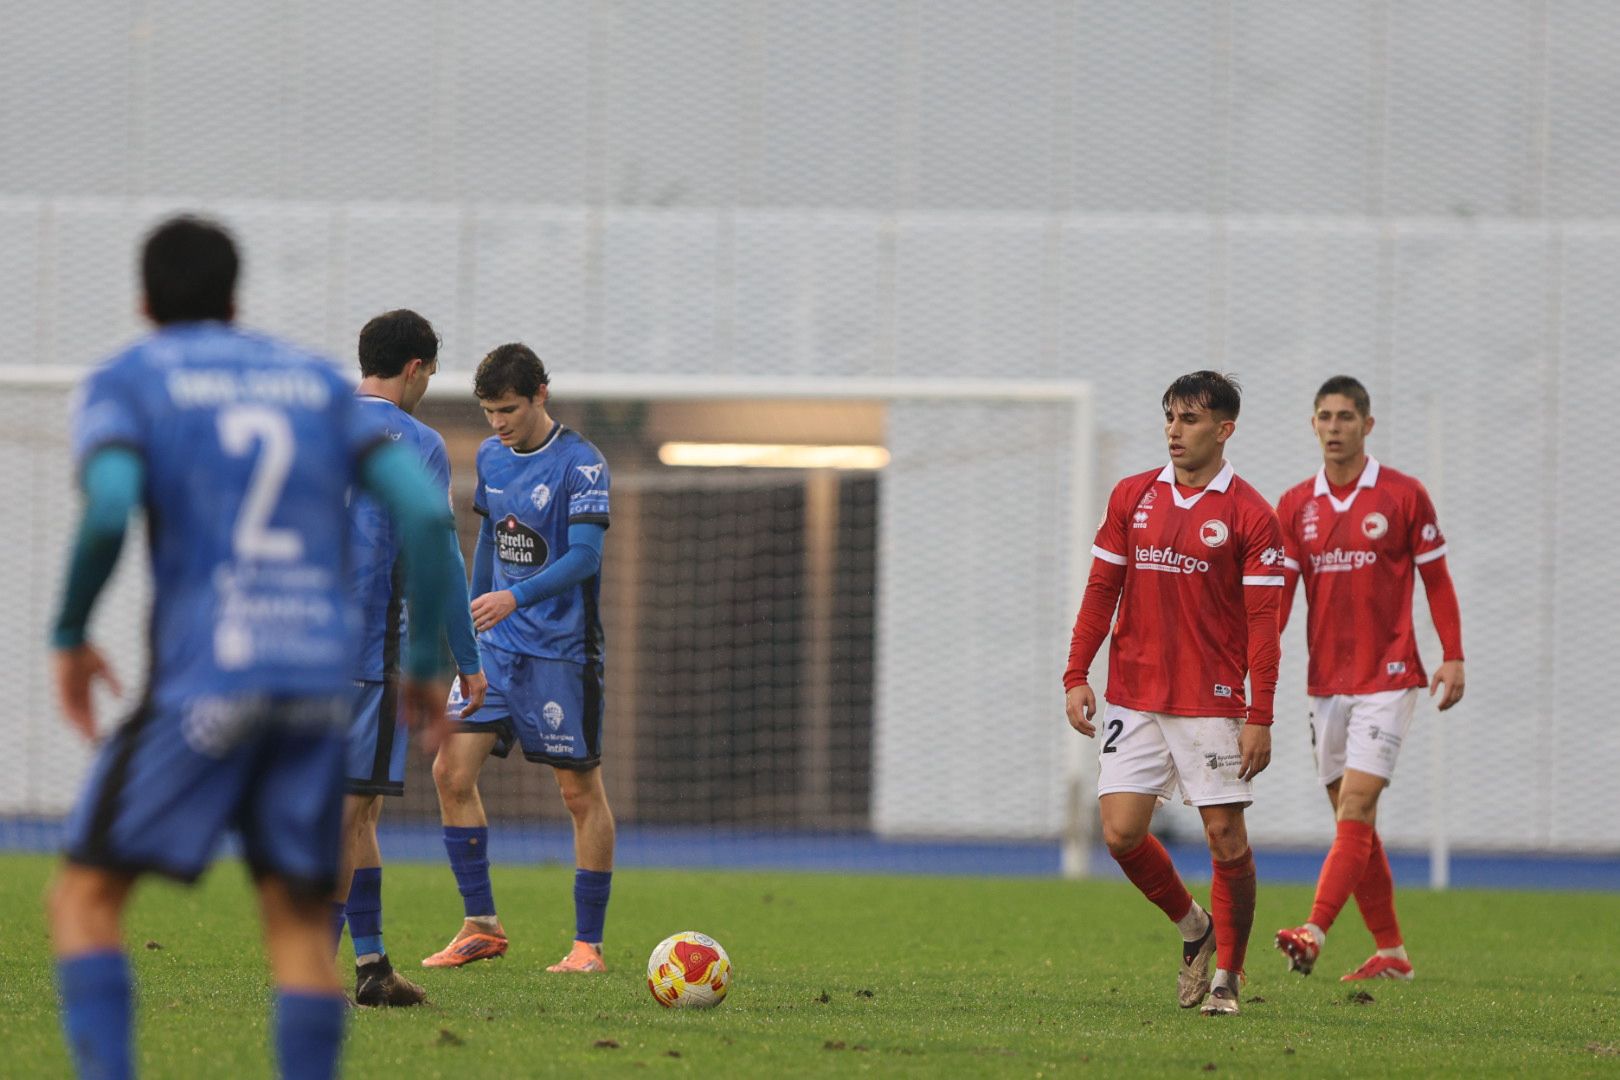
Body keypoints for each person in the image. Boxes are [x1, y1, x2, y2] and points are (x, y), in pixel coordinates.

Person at [45, 216, 457, 1080]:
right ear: (236, 299)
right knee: (299, 927)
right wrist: (422, 665)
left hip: (206, 681)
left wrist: (72, 633)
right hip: (316, 684)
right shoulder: (309, 383)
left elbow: (112, 509)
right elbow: (422, 516)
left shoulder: (130, 378)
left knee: (85, 897)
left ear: (144, 301)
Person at [1063, 370, 1286, 1017]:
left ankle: (1229, 979)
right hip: (1133, 695)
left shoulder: (1250, 514)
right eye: (1169, 417)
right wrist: (1077, 672)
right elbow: (1102, 590)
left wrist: (1260, 713)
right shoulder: (1133, 497)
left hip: (1212, 701)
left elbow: (1264, 624)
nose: (1174, 430)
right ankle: (1195, 928)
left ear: (1224, 429)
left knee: (1225, 839)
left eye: (1189, 419)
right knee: (1122, 834)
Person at [423, 343, 616, 975]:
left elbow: (585, 558)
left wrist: (516, 595)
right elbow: (488, 546)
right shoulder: (488, 455)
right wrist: (471, 634)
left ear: (540, 395)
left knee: (577, 792)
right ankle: (482, 925)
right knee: (450, 772)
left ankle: (587, 946)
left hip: (560, 653)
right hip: (498, 650)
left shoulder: (582, 465)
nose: (497, 422)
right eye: (487, 412)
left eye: (507, 409)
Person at [1272, 375, 1465, 983]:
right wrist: (1255, 665)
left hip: (1388, 677)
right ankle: (1392, 953)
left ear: (1367, 425)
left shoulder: (1404, 496)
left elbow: (1436, 580)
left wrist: (1452, 654)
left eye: (1346, 417)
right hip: (1325, 684)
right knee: (1353, 823)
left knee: (1356, 806)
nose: (1334, 427)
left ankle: (1313, 931)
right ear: (1313, 425)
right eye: (1324, 416)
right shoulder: (1295, 505)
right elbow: (1278, 596)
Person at [332, 309, 487, 1007]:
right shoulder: (416, 442)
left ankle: (371, 966)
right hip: (368, 652)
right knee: (350, 812)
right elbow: (439, 560)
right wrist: (467, 655)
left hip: (292, 646)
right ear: (418, 368)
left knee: (350, 811)